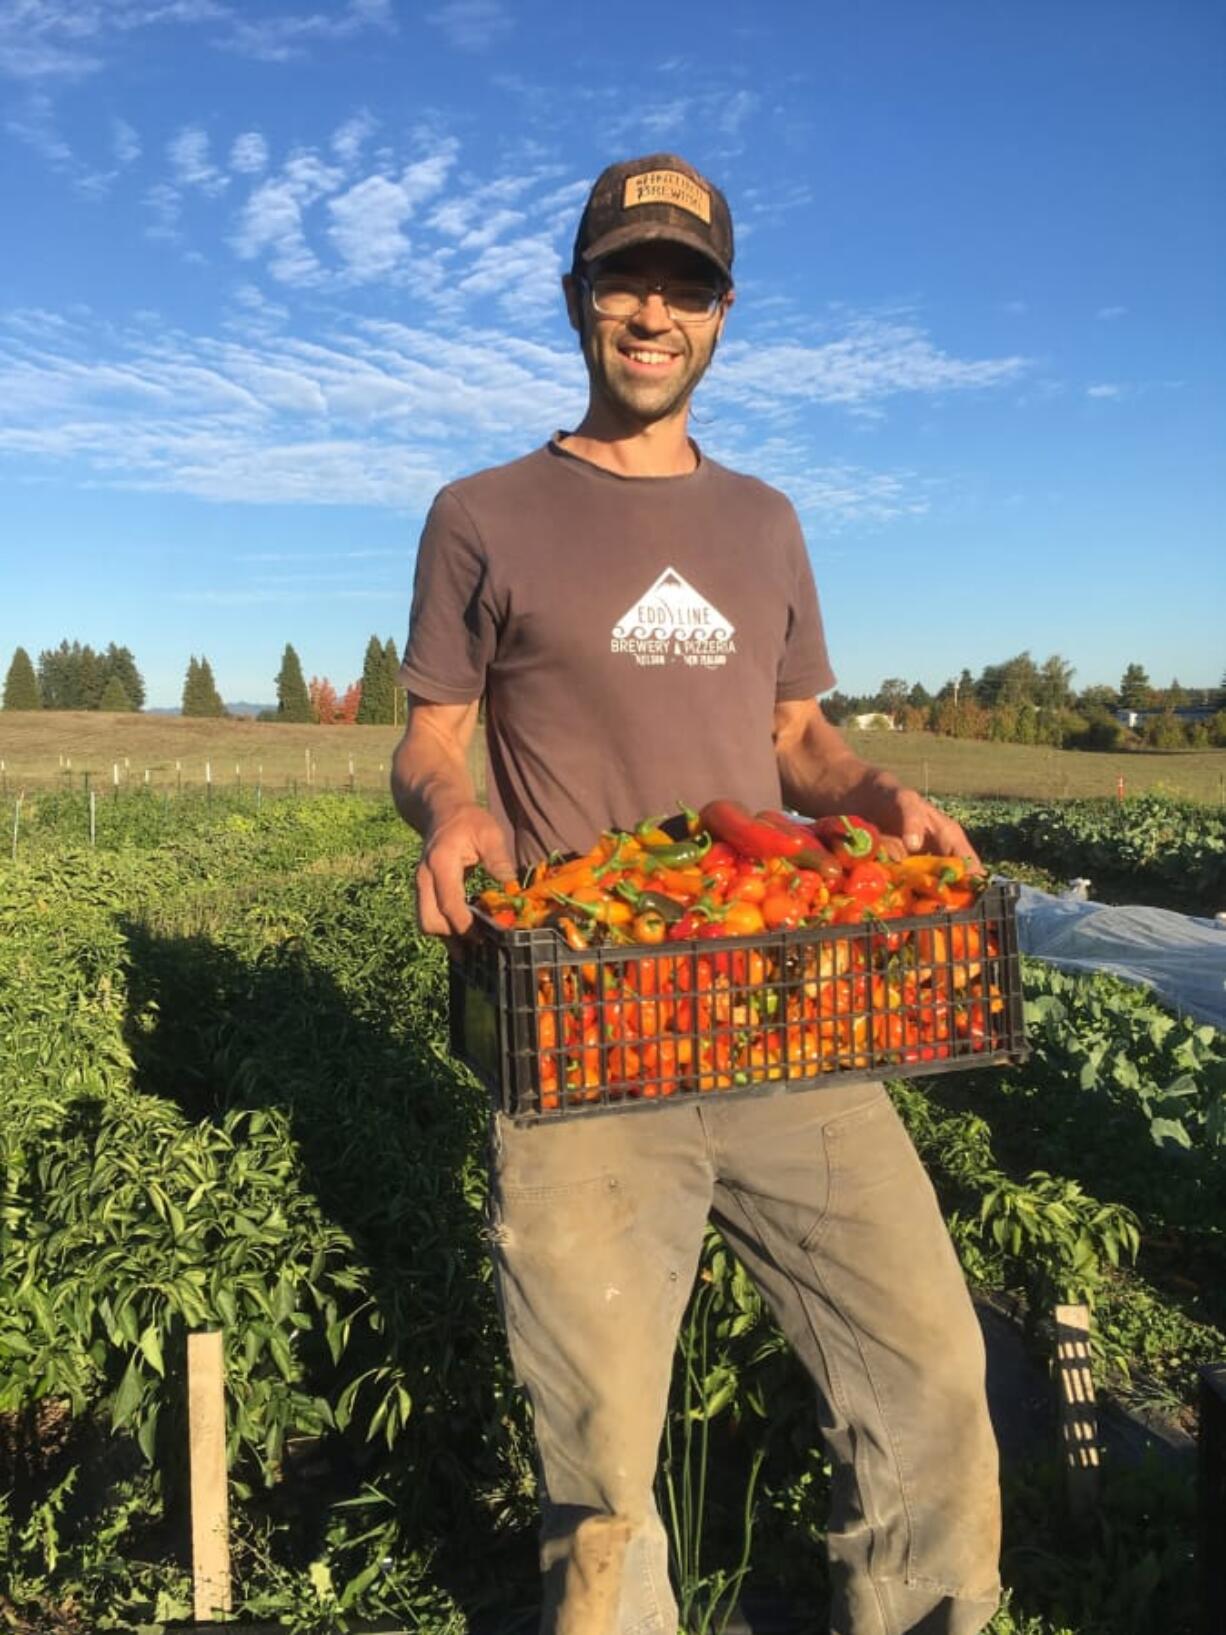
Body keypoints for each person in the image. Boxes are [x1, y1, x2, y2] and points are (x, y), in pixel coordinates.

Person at [391, 152, 1002, 1635]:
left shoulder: (764, 520)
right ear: (576, 300)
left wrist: (873, 798)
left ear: (723, 315)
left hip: (787, 1021)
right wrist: (454, 811)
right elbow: (428, 734)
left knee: (926, 1374)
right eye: (625, 278)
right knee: (599, 1462)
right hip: (585, 1039)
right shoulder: (482, 513)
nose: (653, 309)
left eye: (686, 283)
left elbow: (795, 739)